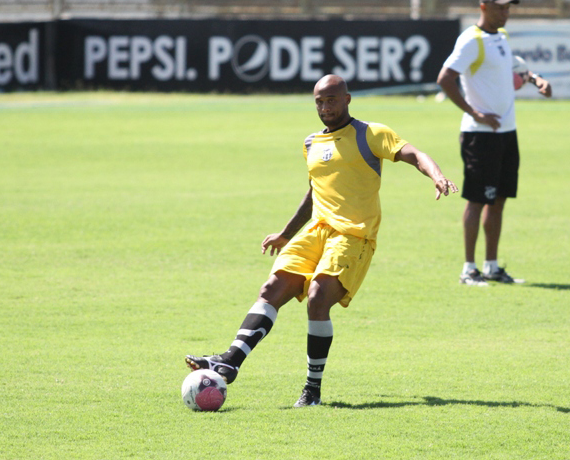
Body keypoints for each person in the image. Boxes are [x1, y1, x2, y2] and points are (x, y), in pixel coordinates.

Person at [186, 74, 458, 407]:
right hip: (316, 230)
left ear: (347, 99)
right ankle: (230, 361)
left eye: (331, 100)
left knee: (317, 298)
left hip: (353, 235)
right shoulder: (311, 143)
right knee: (271, 289)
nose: (325, 107)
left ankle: (311, 390)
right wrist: (286, 233)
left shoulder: (370, 134)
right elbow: (315, 191)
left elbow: (414, 154)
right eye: (319, 101)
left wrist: (437, 176)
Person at [437, 0, 552, 287]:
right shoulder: (471, 41)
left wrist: (536, 79)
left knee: (498, 200)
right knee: (477, 200)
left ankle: (491, 266)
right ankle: (468, 269)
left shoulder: (501, 38)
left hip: (506, 134)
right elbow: (445, 79)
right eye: (501, 7)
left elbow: (514, 70)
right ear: (484, 7)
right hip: (480, 137)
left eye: (508, 7)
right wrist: (475, 114)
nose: (506, 12)